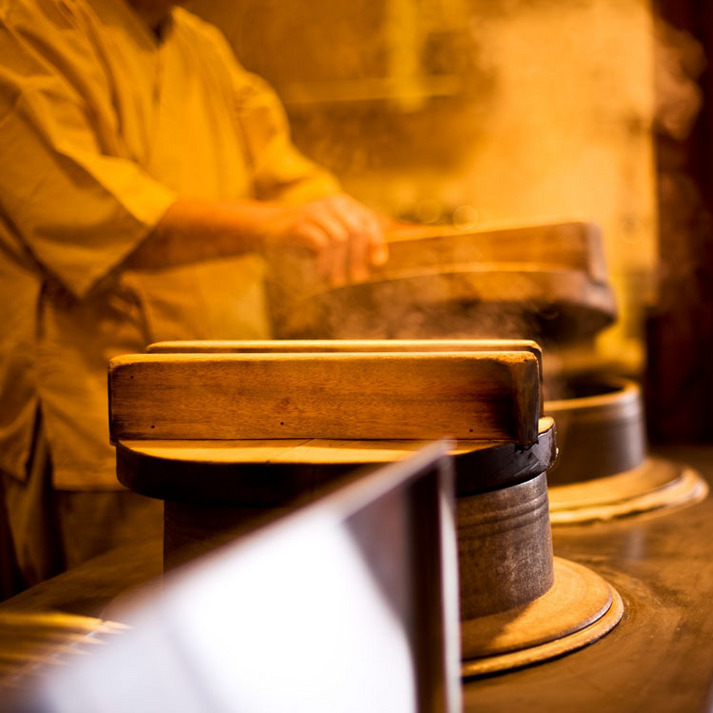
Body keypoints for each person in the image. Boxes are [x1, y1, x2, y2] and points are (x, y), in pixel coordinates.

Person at [0, 0, 388, 591]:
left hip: (234, 416)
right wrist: (277, 225)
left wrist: (365, 227)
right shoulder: (26, 25)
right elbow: (95, 216)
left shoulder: (199, 45)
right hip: (99, 425)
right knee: (116, 639)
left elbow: (290, 182)